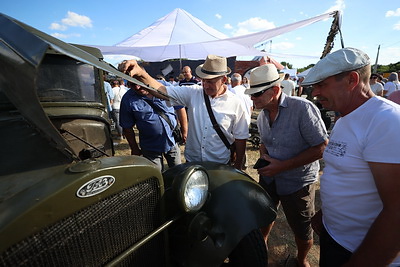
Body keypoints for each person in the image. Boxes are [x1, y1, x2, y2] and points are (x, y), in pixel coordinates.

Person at [303, 47, 400, 266]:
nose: (315, 92)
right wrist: (325, 213)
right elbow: (347, 173)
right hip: (336, 239)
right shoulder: (345, 117)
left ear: (352, 80)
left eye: (321, 84)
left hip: (366, 252)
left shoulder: (386, 121)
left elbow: (397, 211)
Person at [245, 64, 329, 267]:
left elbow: (321, 147)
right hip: (269, 177)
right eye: (251, 94)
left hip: (298, 181)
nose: (252, 98)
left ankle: (301, 260)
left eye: (256, 94)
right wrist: (264, 154)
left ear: (275, 91)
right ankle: (262, 245)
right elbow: (265, 141)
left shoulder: (302, 108)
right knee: (264, 215)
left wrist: (282, 166)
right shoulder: (264, 113)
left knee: (301, 227)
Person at [119, 55, 249, 170]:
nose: (205, 85)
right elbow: (161, 90)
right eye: (203, 80)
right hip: (192, 163)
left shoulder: (236, 103)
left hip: (219, 165)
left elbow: (241, 138)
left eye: (210, 81)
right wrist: (141, 73)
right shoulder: (193, 93)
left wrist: (237, 166)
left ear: (224, 80)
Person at [119, 82, 181, 171]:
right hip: (150, 147)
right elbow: (127, 128)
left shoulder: (163, 87)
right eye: (133, 85)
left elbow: (180, 107)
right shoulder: (128, 99)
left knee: (178, 172)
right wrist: (134, 148)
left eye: (139, 83)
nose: (137, 87)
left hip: (172, 141)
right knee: (155, 175)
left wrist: (185, 130)